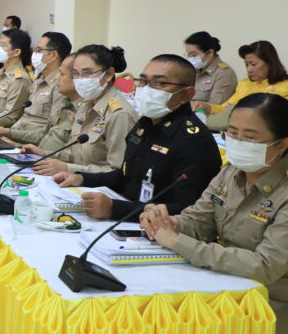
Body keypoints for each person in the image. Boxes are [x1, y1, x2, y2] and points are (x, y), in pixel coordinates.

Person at [141, 93, 288, 334]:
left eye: (250, 137)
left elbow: (264, 267)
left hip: (280, 306)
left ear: (282, 144)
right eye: (232, 133)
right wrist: (167, 222)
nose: (238, 143)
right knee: (152, 312)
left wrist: (177, 241)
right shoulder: (231, 173)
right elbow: (199, 220)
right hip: (229, 288)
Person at [52, 55, 222, 221]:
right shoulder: (146, 123)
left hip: (160, 230)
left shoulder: (194, 142)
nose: (147, 89)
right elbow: (127, 175)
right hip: (128, 217)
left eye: (160, 83)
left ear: (186, 94)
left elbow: (187, 209)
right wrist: (82, 178)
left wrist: (114, 209)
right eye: (144, 81)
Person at [23, 45, 138, 176]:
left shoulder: (119, 114)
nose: (80, 79)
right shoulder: (86, 106)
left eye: (87, 73)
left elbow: (118, 172)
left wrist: (67, 168)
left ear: (109, 74)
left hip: (97, 186)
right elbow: (74, 154)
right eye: (75, 74)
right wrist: (43, 154)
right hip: (75, 181)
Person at [193, 40, 288, 125]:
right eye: (246, 64)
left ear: (270, 63)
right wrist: (207, 107)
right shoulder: (244, 84)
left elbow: (284, 124)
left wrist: (239, 112)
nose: (249, 69)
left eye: (253, 64)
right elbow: (225, 109)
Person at [0, 31, 71, 137]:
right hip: (18, 137)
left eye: (39, 50)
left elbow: (50, 131)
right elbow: (25, 117)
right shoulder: (38, 80)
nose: (34, 54)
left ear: (53, 55)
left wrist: (9, 134)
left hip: (35, 142)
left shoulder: (59, 85)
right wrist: (8, 135)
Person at [183, 31, 237, 106]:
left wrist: (186, 107)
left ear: (210, 53)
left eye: (194, 55)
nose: (190, 58)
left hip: (203, 113)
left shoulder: (224, 73)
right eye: (188, 54)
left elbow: (215, 107)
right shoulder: (193, 70)